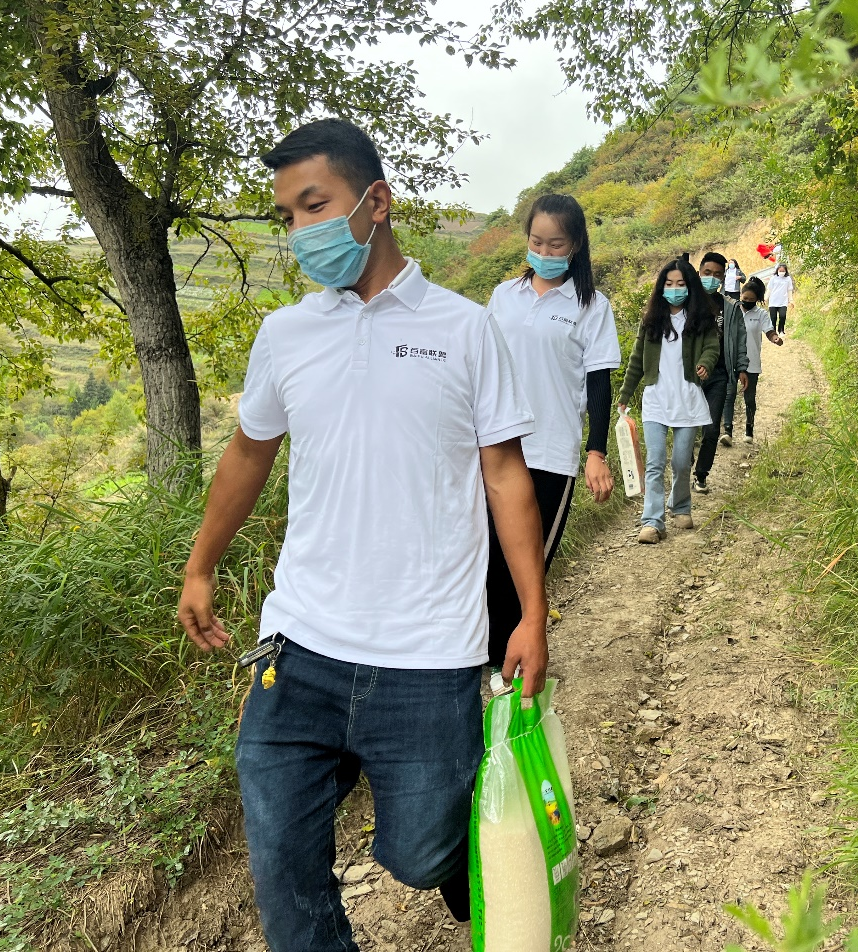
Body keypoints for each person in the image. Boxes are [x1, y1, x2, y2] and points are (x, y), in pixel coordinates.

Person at [175, 119, 548, 951]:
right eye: (287, 216)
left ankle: (449, 859)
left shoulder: (463, 330)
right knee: (285, 882)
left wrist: (531, 613)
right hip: (299, 647)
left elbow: (504, 474)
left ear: (375, 203)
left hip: (429, 655)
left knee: (423, 854)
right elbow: (246, 454)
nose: (302, 232)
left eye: (316, 206)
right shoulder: (286, 336)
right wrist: (200, 567)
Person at [483, 194, 620, 666]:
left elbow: (598, 383)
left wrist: (596, 451)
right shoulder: (504, 297)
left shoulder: (591, 306)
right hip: (494, 448)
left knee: (526, 568)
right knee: (482, 558)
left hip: (550, 452)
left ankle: (509, 664)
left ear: (576, 245)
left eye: (555, 243)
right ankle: (481, 661)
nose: (544, 250)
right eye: (536, 240)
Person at [618, 258, 720, 543]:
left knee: (680, 461)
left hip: (687, 400)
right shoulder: (651, 320)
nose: (674, 289)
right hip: (656, 401)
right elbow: (637, 360)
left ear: (690, 287)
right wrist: (626, 394)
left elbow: (712, 347)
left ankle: (681, 506)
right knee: (655, 461)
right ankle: (652, 521)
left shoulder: (701, 319)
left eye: (681, 284)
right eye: (669, 283)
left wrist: (705, 363)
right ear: (661, 286)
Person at [692, 251, 748, 494]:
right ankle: (683, 469)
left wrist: (742, 367)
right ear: (698, 273)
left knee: (713, 427)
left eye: (717, 275)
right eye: (707, 273)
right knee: (687, 427)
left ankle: (701, 474)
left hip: (719, 374)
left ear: (724, 277)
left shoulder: (730, 308)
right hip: (689, 375)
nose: (712, 278)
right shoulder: (687, 302)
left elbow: (740, 338)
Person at [720, 277, 782, 445]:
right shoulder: (733, 311)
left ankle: (749, 429)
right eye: (744, 298)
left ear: (757, 300)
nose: (746, 302)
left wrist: (775, 338)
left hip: (751, 361)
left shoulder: (761, 314)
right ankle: (727, 431)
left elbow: (769, 331)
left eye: (750, 300)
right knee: (729, 394)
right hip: (732, 360)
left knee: (749, 398)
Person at [767, 263, 795, 336]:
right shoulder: (773, 278)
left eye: (783, 271)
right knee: (773, 318)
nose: (781, 272)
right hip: (773, 301)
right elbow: (769, 289)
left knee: (782, 316)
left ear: (785, 271)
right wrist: (766, 298)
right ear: (777, 270)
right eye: (780, 270)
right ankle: (773, 332)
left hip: (783, 301)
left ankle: (781, 330)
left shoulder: (788, 279)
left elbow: (789, 290)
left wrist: (791, 300)